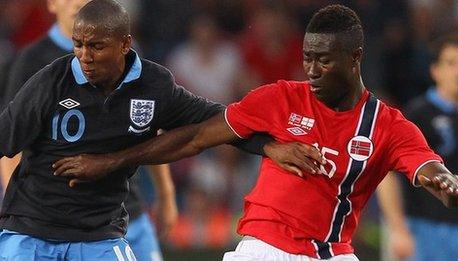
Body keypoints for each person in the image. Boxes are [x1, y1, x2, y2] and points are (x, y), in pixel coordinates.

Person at [53, 5, 458, 261]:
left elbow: (423, 163)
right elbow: (195, 137)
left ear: (355, 58)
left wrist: (441, 178)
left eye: (324, 60)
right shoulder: (279, 98)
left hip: (330, 252)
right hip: (262, 249)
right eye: (307, 58)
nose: (312, 70)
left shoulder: (386, 124)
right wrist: (110, 162)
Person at [0, 0, 310, 259]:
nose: (84, 56)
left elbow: (214, 119)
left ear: (125, 45)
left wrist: (268, 146)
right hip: (32, 229)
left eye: (96, 46)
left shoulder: (152, 86)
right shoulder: (51, 80)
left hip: (96, 235)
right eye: (79, 45)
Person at [0, 1, 177, 260]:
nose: (77, 2)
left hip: (127, 211)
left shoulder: (124, 54)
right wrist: (19, 209)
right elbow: (10, 139)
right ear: (51, 4)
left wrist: (165, 193)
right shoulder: (32, 61)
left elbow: (149, 124)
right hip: (51, 223)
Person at [377, 33, 458, 261]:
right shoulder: (416, 115)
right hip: (423, 230)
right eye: (451, 63)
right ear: (435, 70)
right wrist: (397, 229)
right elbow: (388, 175)